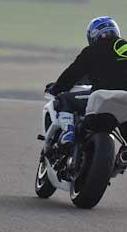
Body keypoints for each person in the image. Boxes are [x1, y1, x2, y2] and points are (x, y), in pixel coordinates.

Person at [46, 16, 127, 146]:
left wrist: (56, 88)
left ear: (93, 34)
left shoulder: (92, 50)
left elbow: (71, 75)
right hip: (125, 100)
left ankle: (68, 131)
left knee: (64, 99)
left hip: (101, 97)